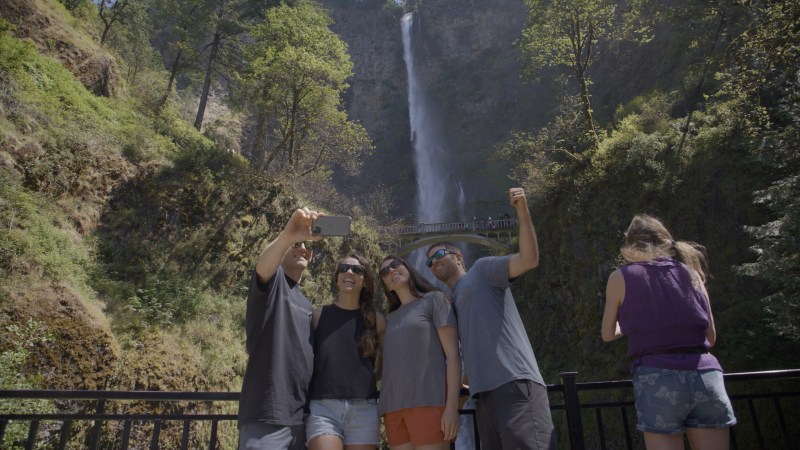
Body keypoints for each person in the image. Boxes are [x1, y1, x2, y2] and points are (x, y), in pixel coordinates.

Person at [426, 187, 557, 450]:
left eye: (439, 254)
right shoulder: (449, 303)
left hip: (514, 385)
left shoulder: (483, 270)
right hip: (483, 397)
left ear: (459, 257)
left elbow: (529, 260)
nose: (434, 262)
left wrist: (522, 211)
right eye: (429, 262)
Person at [601, 214, 736, 450]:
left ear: (630, 245)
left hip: (657, 377)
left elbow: (607, 333)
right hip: (705, 375)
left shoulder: (620, 277)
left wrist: (633, 326)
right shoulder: (693, 273)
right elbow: (710, 338)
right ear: (666, 241)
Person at [238, 207, 320, 450]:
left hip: (301, 419)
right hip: (267, 413)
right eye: (296, 246)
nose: (302, 248)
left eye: (307, 247)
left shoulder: (306, 303)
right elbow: (263, 269)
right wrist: (289, 235)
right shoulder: (273, 285)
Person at [377, 255, 461, 450]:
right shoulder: (389, 319)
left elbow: (453, 356)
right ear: (386, 285)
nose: (391, 271)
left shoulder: (434, 300)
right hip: (393, 408)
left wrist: (451, 408)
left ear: (408, 268)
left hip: (429, 402)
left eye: (396, 264)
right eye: (385, 272)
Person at [306, 254, 386, 450]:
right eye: (343, 268)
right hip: (323, 408)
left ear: (365, 280)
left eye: (356, 270)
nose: (349, 272)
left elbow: (387, 362)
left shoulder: (376, 320)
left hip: (364, 408)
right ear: (337, 277)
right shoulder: (318, 316)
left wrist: (368, 379)